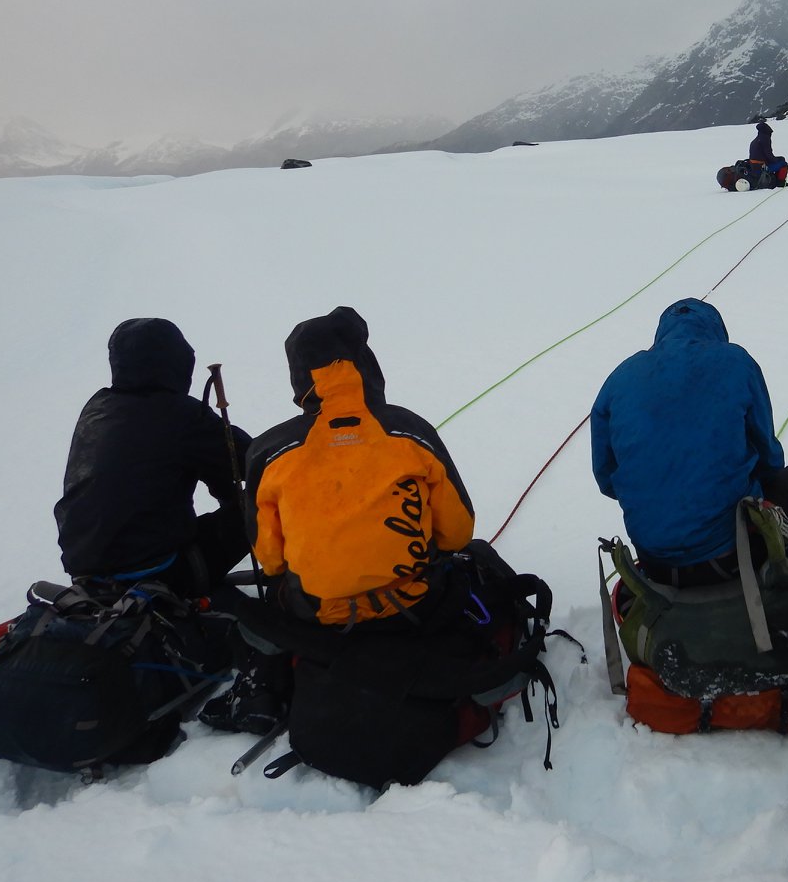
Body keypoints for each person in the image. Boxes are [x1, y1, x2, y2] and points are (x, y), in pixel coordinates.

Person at [203, 306, 478, 734]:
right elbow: (459, 533)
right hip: (415, 604)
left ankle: (270, 683)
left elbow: (270, 560)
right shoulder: (409, 431)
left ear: (300, 379)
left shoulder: (270, 451)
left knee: (266, 601)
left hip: (316, 617)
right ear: (365, 364)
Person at [591, 298, 788, 587]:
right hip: (735, 554)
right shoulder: (735, 361)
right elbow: (770, 459)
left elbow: (606, 476)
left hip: (656, 564)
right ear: (715, 330)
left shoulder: (619, 379)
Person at [55, 317, 251, 597]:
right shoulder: (180, 414)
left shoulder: (97, 409)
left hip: (87, 577)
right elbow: (255, 461)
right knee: (264, 503)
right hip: (166, 573)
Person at [745, 119, 788, 186]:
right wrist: (776, 160)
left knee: (781, 159)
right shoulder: (765, 139)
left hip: (754, 165)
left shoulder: (757, 139)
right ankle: (780, 182)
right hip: (760, 167)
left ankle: (776, 179)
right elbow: (769, 155)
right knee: (783, 164)